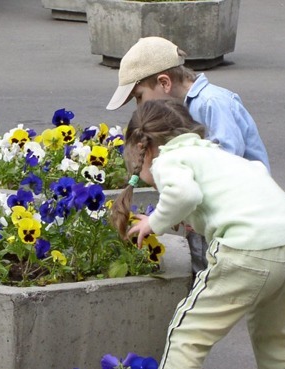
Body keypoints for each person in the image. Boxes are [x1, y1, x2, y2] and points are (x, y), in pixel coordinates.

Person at [111, 99, 285, 369]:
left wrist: (156, 221)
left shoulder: (170, 159)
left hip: (247, 252)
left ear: (145, 148)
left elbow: (183, 194)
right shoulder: (219, 156)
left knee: (188, 333)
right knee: (275, 333)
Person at [107, 36, 271, 277]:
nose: (139, 108)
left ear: (164, 82)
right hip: (219, 208)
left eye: (139, 97)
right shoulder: (183, 110)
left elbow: (226, 157)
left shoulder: (212, 103)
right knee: (206, 260)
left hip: (241, 207)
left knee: (215, 268)